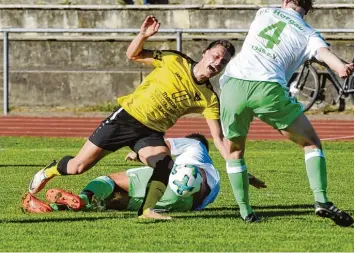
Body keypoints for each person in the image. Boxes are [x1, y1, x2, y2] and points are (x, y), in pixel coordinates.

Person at [28, 15, 235, 220]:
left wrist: (236, 167)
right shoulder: (175, 60)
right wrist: (143, 35)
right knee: (77, 167)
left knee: (165, 167)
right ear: (205, 52)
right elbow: (133, 54)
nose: (217, 62)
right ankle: (50, 171)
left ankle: (147, 211)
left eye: (223, 62)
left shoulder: (209, 98)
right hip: (126, 119)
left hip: (151, 133)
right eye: (215, 56)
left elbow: (218, 138)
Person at [219, 0, 354, 226]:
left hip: (233, 86)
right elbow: (327, 58)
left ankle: (246, 213)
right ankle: (321, 200)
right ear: (309, 10)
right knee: (311, 144)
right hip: (267, 88)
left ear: (284, 2)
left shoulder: (264, 12)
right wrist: (341, 66)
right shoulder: (310, 34)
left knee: (234, 152)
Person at [23, 134, 266, 214]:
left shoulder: (195, 145)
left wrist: (138, 153)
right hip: (189, 203)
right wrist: (252, 180)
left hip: (177, 180)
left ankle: (83, 198)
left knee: (110, 181)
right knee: (115, 201)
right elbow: (236, 169)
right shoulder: (215, 169)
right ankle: (53, 209)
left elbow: (163, 146)